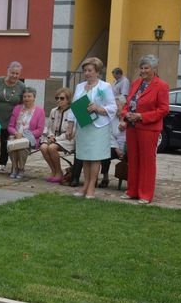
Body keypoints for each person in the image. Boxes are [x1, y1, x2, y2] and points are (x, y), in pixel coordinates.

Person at [118, 54, 170, 204]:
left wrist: (142, 116)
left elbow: (163, 109)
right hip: (132, 127)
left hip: (148, 128)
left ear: (154, 68)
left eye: (146, 67)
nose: (143, 70)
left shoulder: (161, 85)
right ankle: (132, 191)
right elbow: (128, 103)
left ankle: (145, 194)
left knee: (147, 161)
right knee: (133, 160)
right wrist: (125, 113)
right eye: (141, 67)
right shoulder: (136, 83)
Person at [72, 57, 117, 199]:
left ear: (97, 72)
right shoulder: (80, 87)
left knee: (95, 157)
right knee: (85, 157)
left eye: (90, 70)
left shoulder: (105, 87)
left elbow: (113, 107)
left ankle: (92, 186)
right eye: (85, 70)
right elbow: (74, 107)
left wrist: (98, 108)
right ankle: (85, 185)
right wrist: (70, 125)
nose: (87, 73)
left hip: (98, 127)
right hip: (83, 126)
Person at [0, 61, 25, 173]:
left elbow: (22, 102)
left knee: (5, 142)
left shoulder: (21, 86)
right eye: (12, 73)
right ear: (8, 71)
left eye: (17, 74)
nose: (14, 76)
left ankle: (2, 164)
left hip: (10, 119)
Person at [6, 87, 45, 179]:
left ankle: (21, 168)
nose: (26, 99)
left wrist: (23, 135)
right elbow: (10, 126)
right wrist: (16, 133)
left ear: (34, 98)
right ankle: (15, 167)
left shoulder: (40, 111)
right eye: (25, 97)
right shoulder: (17, 109)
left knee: (21, 147)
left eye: (29, 96)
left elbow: (39, 130)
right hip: (16, 136)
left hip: (30, 138)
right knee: (12, 145)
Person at [40, 87, 75, 183]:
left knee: (51, 148)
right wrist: (51, 136)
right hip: (54, 138)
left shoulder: (72, 111)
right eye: (57, 98)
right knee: (43, 147)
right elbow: (49, 127)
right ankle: (54, 171)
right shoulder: (53, 111)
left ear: (68, 99)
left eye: (62, 98)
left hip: (67, 139)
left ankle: (59, 172)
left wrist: (55, 139)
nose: (59, 100)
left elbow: (71, 132)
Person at [99, 95, 128, 188]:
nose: (116, 108)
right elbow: (110, 135)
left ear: (124, 106)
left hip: (128, 148)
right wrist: (116, 149)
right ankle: (105, 177)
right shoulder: (112, 119)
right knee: (105, 153)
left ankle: (132, 181)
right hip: (115, 147)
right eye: (114, 106)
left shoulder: (129, 118)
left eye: (118, 106)